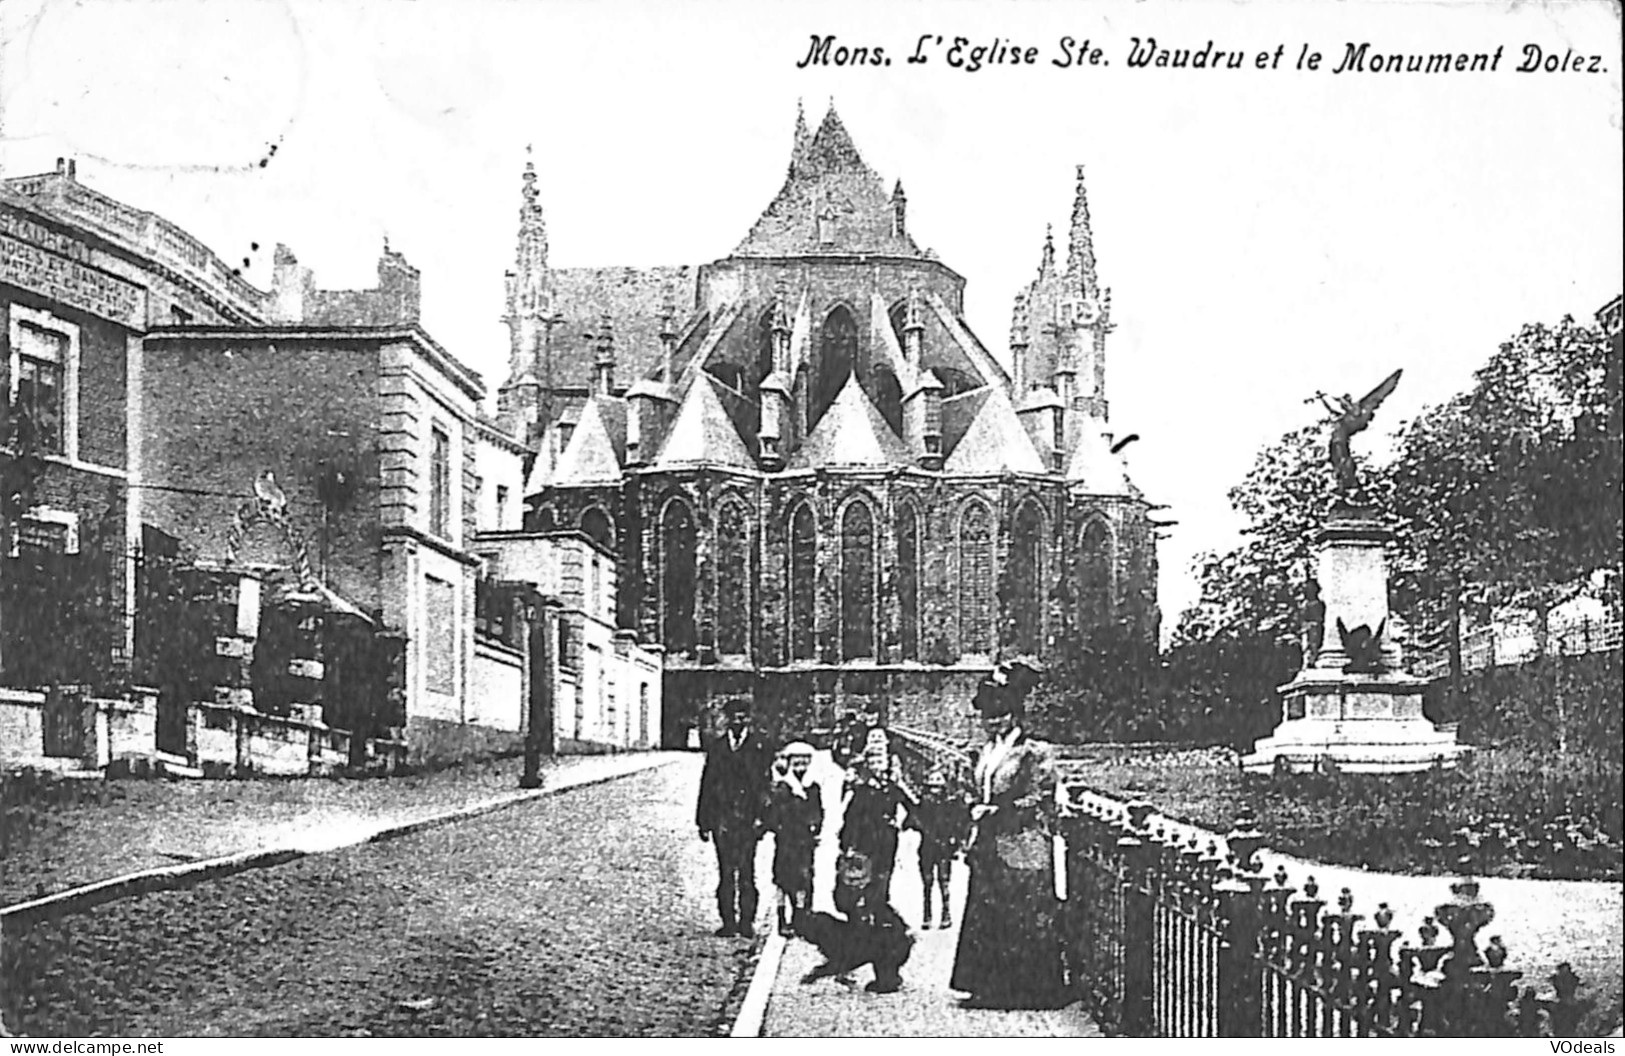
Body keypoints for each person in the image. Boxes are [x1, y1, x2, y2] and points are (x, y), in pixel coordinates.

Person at [949, 663, 1069, 1010]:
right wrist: (972, 805)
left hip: (1022, 842)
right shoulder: (988, 751)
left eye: (998, 715)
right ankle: (988, 987)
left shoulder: (1034, 752)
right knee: (989, 913)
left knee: (1021, 915)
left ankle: (1028, 991)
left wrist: (998, 812)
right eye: (987, 715)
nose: (991, 722)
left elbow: (1038, 798)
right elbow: (975, 787)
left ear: (1013, 714)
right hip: (989, 843)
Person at [696, 698, 774, 938]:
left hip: (749, 819)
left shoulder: (759, 747)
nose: (739, 720)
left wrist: (764, 818)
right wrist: (703, 821)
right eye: (734, 716)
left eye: (743, 716)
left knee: (747, 872)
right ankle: (728, 922)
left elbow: (765, 785)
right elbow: (707, 784)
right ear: (727, 720)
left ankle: (747, 922)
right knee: (726, 872)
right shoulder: (718, 747)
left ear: (748, 719)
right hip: (723, 819)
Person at [837, 728, 906, 912]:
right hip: (867, 835)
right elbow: (851, 816)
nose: (877, 764)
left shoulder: (890, 783)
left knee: (885, 871)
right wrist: (848, 843)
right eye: (872, 761)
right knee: (867, 872)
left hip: (887, 835)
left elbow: (909, 804)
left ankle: (880, 905)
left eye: (880, 760)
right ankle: (866, 910)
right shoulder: (862, 787)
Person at [767, 741, 823, 937]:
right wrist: (779, 826)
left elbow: (818, 811)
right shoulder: (782, 788)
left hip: (805, 841)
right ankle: (782, 919)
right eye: (796, 763)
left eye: (804, 763)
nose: (800, 767)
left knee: (803, 878)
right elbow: (774, 814)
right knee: (782, 879)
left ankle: (800, 919)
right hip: (786, 840)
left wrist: (815, 828)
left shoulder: (812, 787)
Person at [906, 768, 971, 930]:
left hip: (943, 846)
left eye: (938, 780)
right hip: (928, 845)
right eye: (932, 780)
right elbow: (913, 819)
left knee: (944, 881)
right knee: (927, 882)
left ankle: (945, 914)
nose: (935, 784)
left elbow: (958, 822)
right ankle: (927, 916)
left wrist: (955, 841)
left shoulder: (950, 803)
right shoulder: (923, 801)